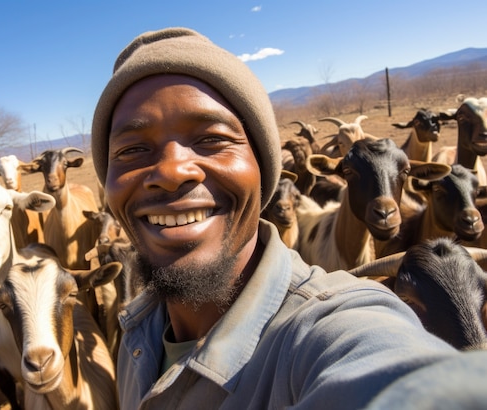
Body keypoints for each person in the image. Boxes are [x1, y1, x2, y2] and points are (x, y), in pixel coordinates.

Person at [91, 27, 487, 409]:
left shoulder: (329, 331)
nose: (172, 171)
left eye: (211, 139)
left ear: (263, 168)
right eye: (131, 149)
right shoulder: (135, 334)